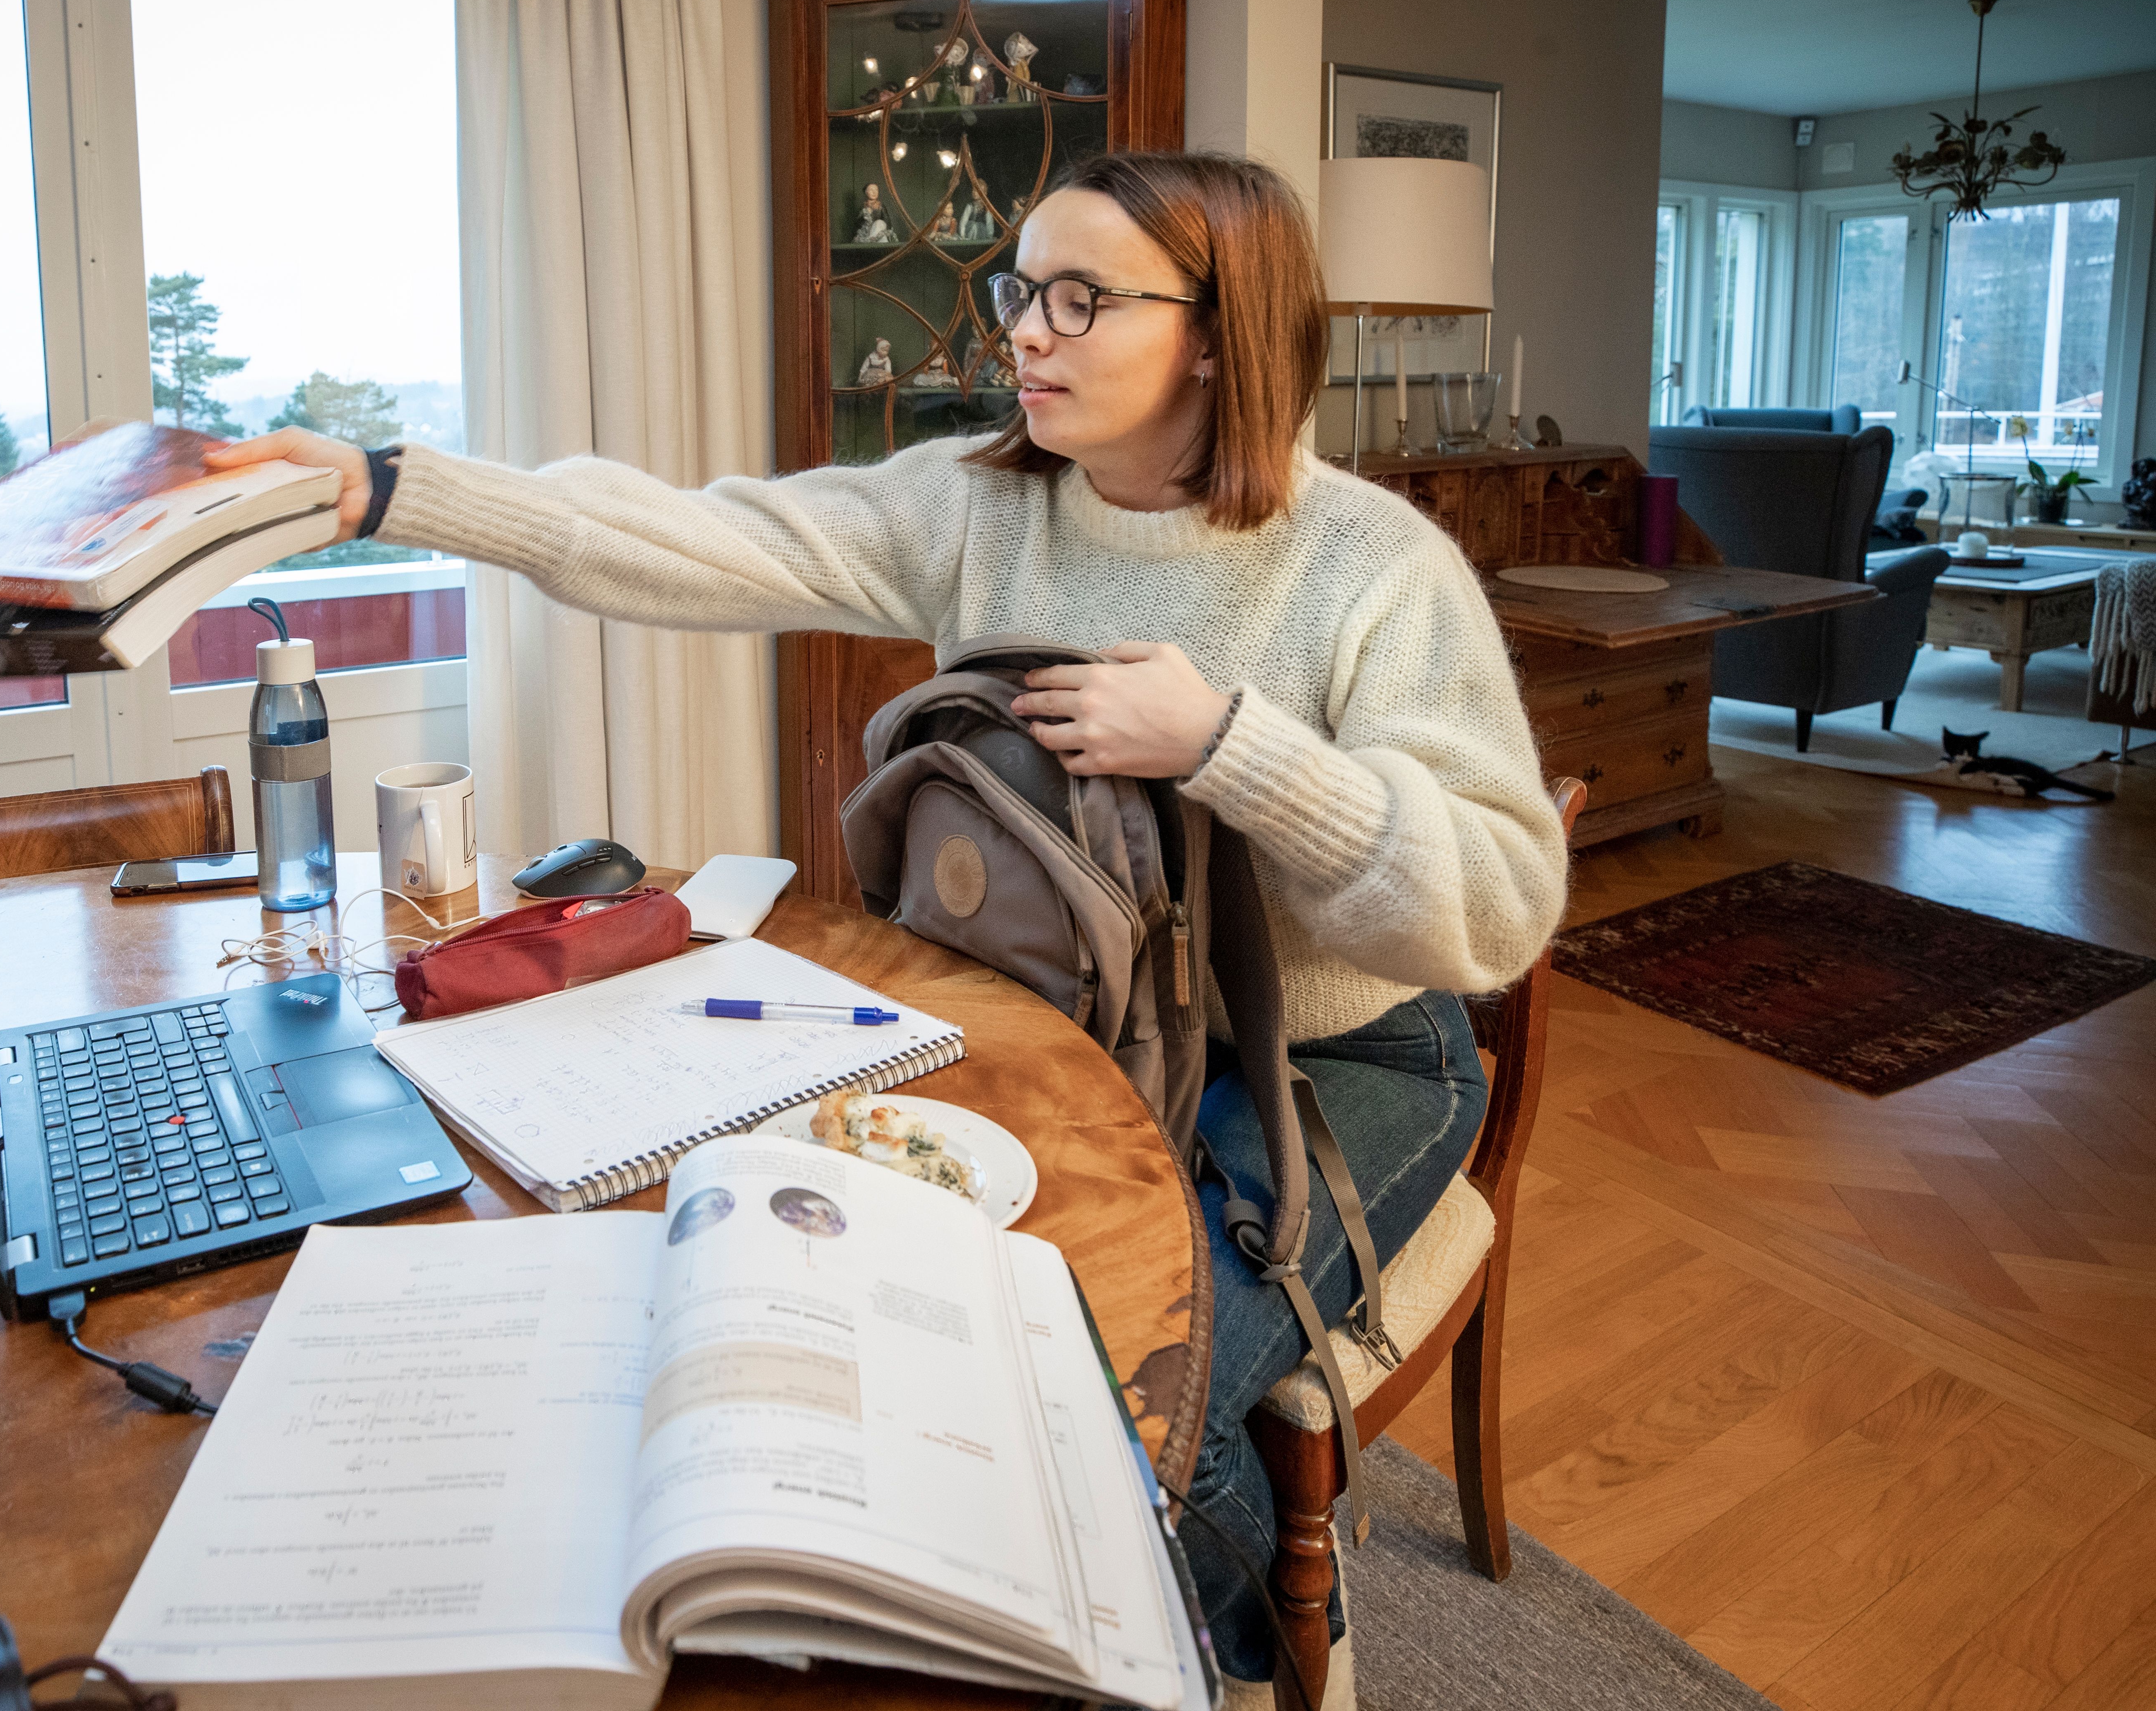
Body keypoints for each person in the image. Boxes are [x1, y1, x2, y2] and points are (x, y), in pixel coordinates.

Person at [210, 150, 1565, 1694]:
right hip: (1091, 1039)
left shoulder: (1373, 567)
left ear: (1214, 333)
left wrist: (1227, 746)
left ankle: (1237, 1642)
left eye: (1079, 299)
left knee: (1110, 1415)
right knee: (900, 1342)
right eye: (1017, 291)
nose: (1024, 335)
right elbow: (701, 538)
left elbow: (1502, 910)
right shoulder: (985, 509)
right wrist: (388, 488)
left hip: (1343, 1065)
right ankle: (1183, 1605)